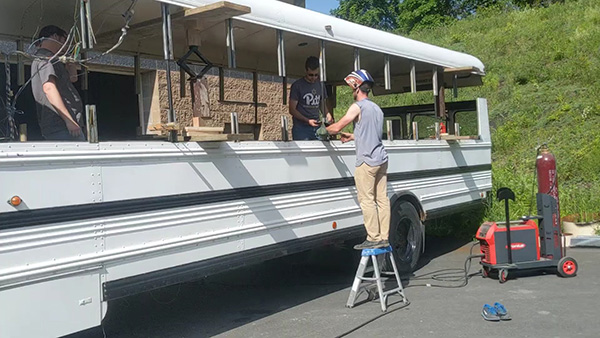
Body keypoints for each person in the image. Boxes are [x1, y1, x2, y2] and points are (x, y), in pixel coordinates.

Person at [326, 69, 390, 250]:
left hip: (366, 161)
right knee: (382, 199)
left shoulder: (358, 107)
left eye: (351, 88)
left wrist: (326, 130)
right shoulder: (376, 109)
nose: (351, 92)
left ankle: (373, 237)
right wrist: (353, 137)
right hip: (381, 159)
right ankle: (384, 236)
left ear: (356, 86)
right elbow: (372, 133)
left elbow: (339, 124)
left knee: (367, 199)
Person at [31, 25, 85, 141]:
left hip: (64, 124)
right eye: (64, 40)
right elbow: (49, 88)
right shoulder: (45, 58)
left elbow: (73, 78)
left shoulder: (55, 60)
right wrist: (69, 120)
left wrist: (71, 62)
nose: (66, 45)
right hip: (61, 125)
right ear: (55, 36)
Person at [288, 56, 333, 140]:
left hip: (317, 127)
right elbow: (292, 110)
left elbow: (322, 104)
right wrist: (307, 120)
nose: (313, 78)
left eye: (316, 75)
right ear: (305, 71)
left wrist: (327, 114)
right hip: (301, 128)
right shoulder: (297, 86)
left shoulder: (320, 85)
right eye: (311, 75)